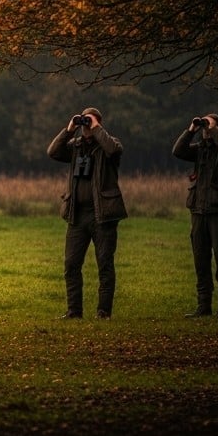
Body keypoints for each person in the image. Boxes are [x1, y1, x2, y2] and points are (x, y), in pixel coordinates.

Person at [46, 107, 128, 319]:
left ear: (98, 123)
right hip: (77, 214)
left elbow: (112, 149)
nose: (85, 126)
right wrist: (69, 129)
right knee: (71, 264)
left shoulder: (110, 145)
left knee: (104, 263)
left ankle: (103, 311)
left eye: (88, 122)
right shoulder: (75, 146)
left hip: (103, 215)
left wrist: (97, 127)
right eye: (83, 122)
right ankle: (74, 310)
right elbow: (53, 152)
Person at [173, 113, 218, 318]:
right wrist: (191, 130)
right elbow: (178, 151)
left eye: (209, 126)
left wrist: (212, 128)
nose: (205, 130)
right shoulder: (200, 149)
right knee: (200, 261)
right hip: (199, 212)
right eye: (204, 127)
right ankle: (204, 306)